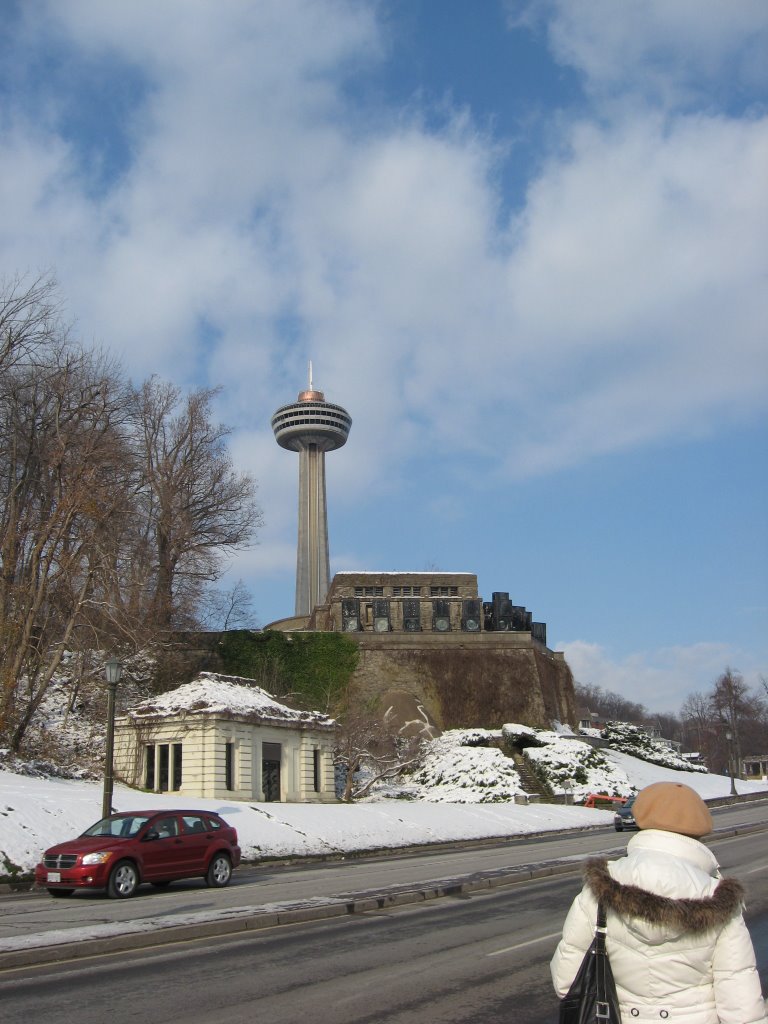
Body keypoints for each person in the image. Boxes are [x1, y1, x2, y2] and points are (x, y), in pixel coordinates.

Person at [551, 781, 767, 1023]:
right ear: (698, 830)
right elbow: (740, 1004)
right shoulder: (718, 897)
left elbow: (566, 981)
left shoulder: (600, 889)